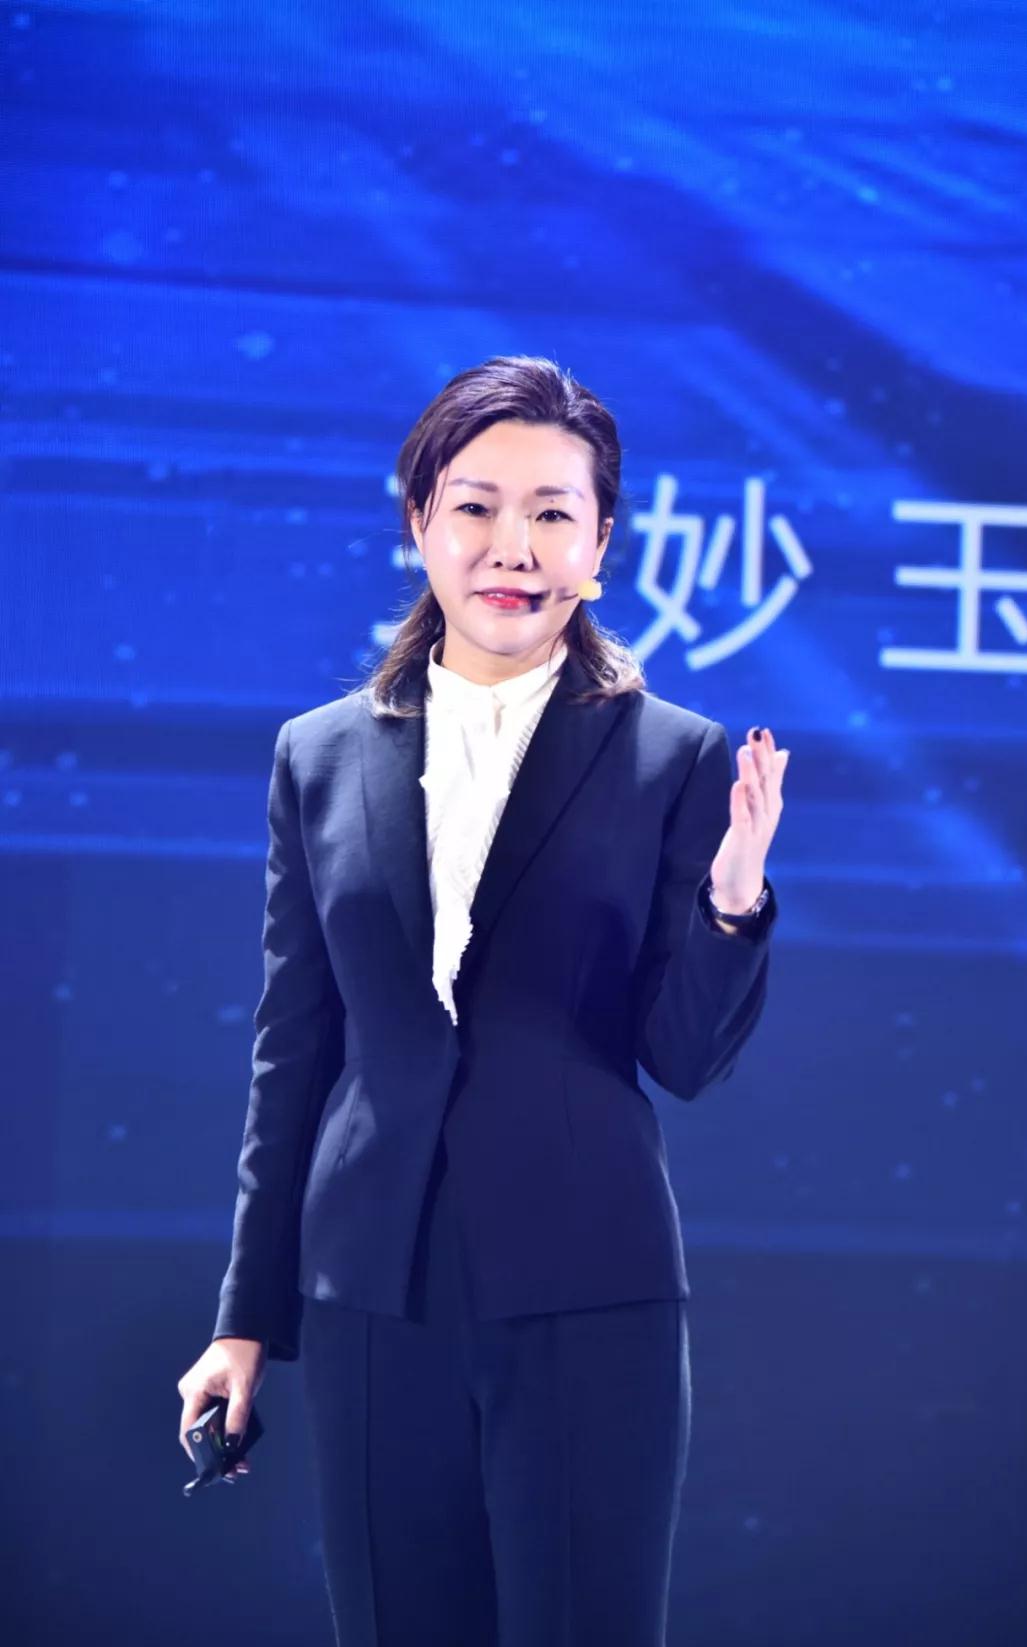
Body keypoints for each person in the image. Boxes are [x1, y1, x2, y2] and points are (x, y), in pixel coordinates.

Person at [177, 354, 788, 1646]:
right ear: (420, 523)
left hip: (587, 1280)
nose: (513, 545)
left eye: (554, 512)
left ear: (601, 547)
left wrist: (733, 903)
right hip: (370, 1283)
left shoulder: (672, 755)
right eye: (476, 505)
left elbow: (684, 1056)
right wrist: (245, 1320)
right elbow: (294, 1052)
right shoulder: (318, 754)